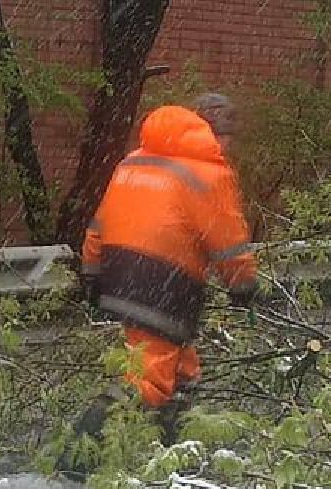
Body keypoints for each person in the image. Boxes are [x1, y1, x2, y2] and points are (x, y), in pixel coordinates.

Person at [75, 93, 260, 450]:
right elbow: (229, 243)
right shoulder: (209, 173)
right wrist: (244, 286)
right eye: (229, 138)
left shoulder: (133, 162)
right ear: (216, 133)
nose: (228, 147)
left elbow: (98, 224)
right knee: (150, 380)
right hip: (165, 283)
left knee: (182, 369)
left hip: (120, 275)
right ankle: (76, 461)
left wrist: (91, 272)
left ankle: (170, 454)